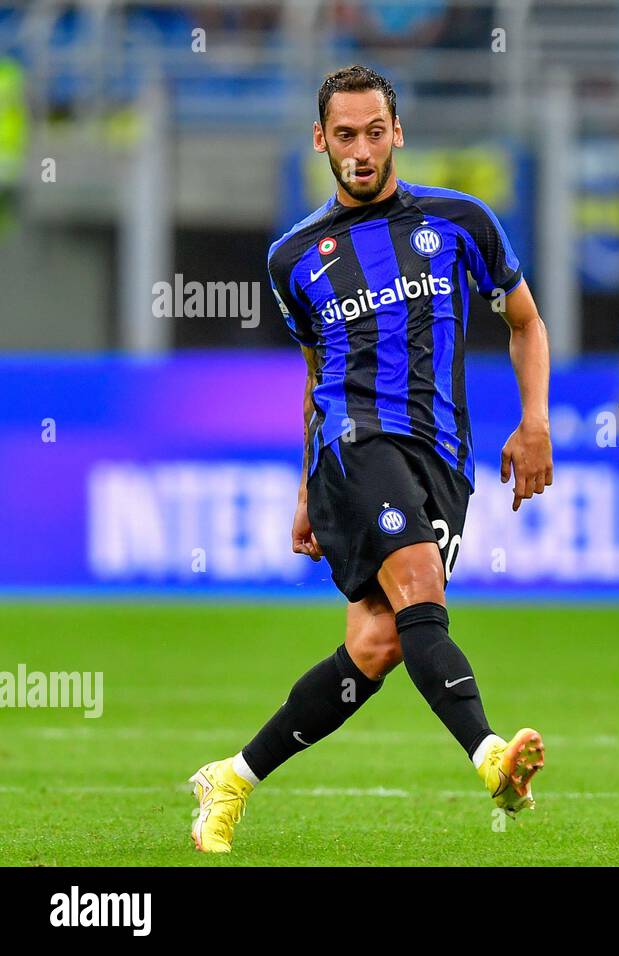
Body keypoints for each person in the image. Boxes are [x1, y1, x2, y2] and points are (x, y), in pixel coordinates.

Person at [188, 65, 553, 853]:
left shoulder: (461, 221)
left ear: (398, 132)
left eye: (373, 132)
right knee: (421, 586)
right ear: (321, 140)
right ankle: (490, 756)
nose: (360, 149)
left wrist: (534, 421)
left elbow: (524, 320)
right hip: (354, 444)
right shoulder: (294, 258)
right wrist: (305, 487)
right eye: (344, 135)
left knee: (378, 644)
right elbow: (319, 378)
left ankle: (233, 777)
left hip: (443, 461)